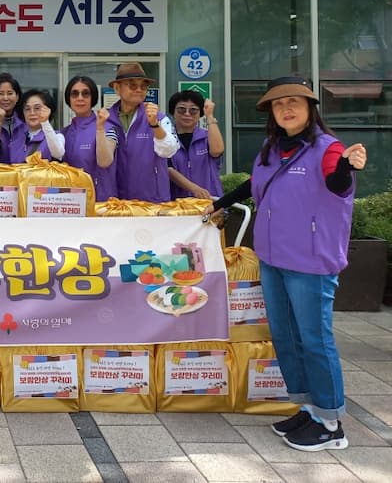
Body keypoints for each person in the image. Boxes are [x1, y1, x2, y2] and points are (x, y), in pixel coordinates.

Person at [207, 75, 366, 452]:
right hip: (273, 256)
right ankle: (309, 408)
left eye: (294, 101)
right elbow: (254, 184)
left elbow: (338, 182)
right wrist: (216, 205)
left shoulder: (328, 148)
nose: (286, 109)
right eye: (278, 104)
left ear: (310, 107)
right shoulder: (272, 148)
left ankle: (331, 422)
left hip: (310, 260)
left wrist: (348, 166)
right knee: (285, 336)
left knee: (315, 339)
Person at [105, 62, 179, 202]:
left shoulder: (159, 118)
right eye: (132, 85)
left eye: (143, 86)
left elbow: (169, 151)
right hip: (116, 201)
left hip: (152, 201)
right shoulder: (105, 119)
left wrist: (154, 124)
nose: (139, 90)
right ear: (117, 88)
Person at [61, 75, 117, 201]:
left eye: (85, 94)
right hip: (72, 202)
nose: (80, 98)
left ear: (93, 98)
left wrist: (100, 128)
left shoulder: (108, 128)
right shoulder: (64, 133)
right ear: (69, 99)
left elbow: (105, 162)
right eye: (75, 94)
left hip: (101, 202)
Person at [167, 89, 224, 199]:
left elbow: (217, 151)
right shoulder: (165, 139)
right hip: (176, 203)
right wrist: (194, 189)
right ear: (173, 112)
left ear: (200, 114)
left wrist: (209, 116)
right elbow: (168, 169)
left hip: (209, 201)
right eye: (181, 110)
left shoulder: (207, 136)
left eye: (193, 110)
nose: (187, 114)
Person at [8, 89, 65, 163]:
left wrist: (45, 122)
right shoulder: (16, 140)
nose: (32, 113)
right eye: (27, 109)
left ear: (48, 110)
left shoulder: (57, 136)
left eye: (37, 108)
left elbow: (58, 153)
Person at [0, 73, 24, 162]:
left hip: (22, 170)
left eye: (10, 93)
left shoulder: (25, 120)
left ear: (17, 97)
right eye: (1, 94)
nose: (5, 98)